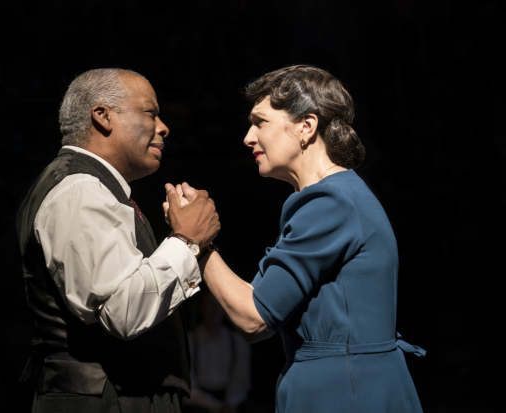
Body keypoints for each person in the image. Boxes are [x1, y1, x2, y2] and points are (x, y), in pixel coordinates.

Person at [165, 65, 425, 412]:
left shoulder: (330, 202)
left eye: (260, 122)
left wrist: (193, 241)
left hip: (344, 393)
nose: (247, 137)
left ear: (306, 127)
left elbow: (253, 319)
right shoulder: (336, 197)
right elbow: (260, 309)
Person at [15, 68, 220, 413]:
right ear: (103, 116)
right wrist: (187, 239)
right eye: (150, 112)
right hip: (105, 400)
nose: (163, 126)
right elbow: (123, 311)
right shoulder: (80, 189)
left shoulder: (91, 188)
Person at [183, 289, 251, 413]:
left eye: (218, 305)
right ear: (202, 308)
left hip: (229, 401)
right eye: (209, 305)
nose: (213, 311)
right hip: (198, 403)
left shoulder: (237, 341)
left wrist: (229, 403)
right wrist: (216, 406)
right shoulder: (191, 341)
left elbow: (241, 381)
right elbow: (189, 385)